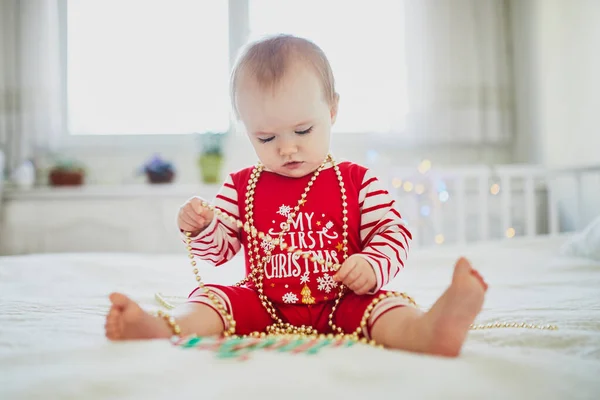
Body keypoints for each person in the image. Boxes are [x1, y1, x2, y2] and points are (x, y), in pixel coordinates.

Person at [105, 34, 487, 357]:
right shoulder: (241, 186)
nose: (286, 148)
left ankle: (426, 331)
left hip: (344, 299)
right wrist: (203, 227)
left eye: (303, 131)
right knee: (213, 298)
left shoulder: (357, 182)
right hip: (263, 301)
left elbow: (393, 233)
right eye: (266, 138)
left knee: (386, 307)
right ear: (247, 128)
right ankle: (162, 326)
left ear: (333, 110)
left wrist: (371, 264)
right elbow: (219, 252)